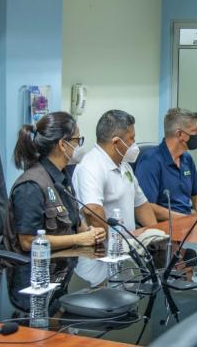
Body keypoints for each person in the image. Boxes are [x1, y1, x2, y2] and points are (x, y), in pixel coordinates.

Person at [4, 111, 106, 282]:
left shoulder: (62, 177)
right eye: (77, 141)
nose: (80, 146)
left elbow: (75, 223)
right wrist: (80, 239)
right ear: (62, 144)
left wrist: (91, 233)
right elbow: (28, 242)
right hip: (32, 276)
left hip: (63, 267)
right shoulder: (31, 186)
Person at [72, 109, 157, 285]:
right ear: (116, 142)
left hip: (126, 255)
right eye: (131, 139)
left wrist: (155, 236)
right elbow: (92, 212)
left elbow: (141, 204)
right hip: (100, 262)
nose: (134, 144)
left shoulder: (124, 165)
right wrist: (117, 245)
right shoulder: (90, 167)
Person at [135, 107, 197, 218]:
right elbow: (147, 207)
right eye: (194, 132)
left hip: (188, 223)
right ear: (179, 134)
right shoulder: (150, 161)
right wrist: (184, 219)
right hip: (164, 227)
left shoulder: (187, 158)